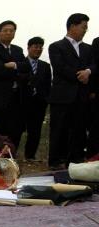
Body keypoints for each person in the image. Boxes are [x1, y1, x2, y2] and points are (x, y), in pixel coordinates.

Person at [48, 13, 95, 168]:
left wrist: (88, 71)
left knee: (79, 130)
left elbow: (95, 65)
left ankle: (75, 160)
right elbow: (60, 68)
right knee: (59, 129)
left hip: (82, 97)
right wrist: (80, 75)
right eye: (83, 27)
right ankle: (56, 161)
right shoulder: (56, 46)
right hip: (62, 96)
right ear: (72, 26)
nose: (85, 31)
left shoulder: (88, 48)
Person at [0, 20, 30, 148]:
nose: (9, 33)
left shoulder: (17, 50)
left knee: (14, 130)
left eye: (11, 31)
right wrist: (17, 71)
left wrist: (13, 65)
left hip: (16, 98)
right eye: (5, 30)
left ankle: (11, 159)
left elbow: (27, 68)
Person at [22, 37, 52, 161]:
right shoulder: (20, 63)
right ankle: (10, 157)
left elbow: (48, 85)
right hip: (22, 103)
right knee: (17, 130)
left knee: (35, 131)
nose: (38, 49)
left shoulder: (45, 66)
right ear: (28, 48)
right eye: (35, 46)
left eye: (40, 47)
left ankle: (30, 156)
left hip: (39, 104)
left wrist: (45, 100)